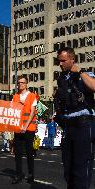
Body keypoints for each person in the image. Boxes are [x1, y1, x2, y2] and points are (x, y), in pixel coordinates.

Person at [53, 47, 95, 189]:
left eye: (63, 61)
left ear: (72, 59)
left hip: (83, 124)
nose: (60, 64)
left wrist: (80, 72)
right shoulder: (61, 80)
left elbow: (94, 86)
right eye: (59, 61)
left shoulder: (84, 74)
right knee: (68, 169)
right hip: (68, 125)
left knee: (81, 167)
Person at [12, 75, 37, 184]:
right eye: (19, 82)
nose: (20, 84)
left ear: (27, 84)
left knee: (29, 152)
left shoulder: (32, 96)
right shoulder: (15, 96)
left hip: (29, 128)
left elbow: (32, 112)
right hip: (18, 128)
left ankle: (31, 175)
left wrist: (25, 126)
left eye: (22, 82)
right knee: (17, 153)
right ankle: (18, 174)